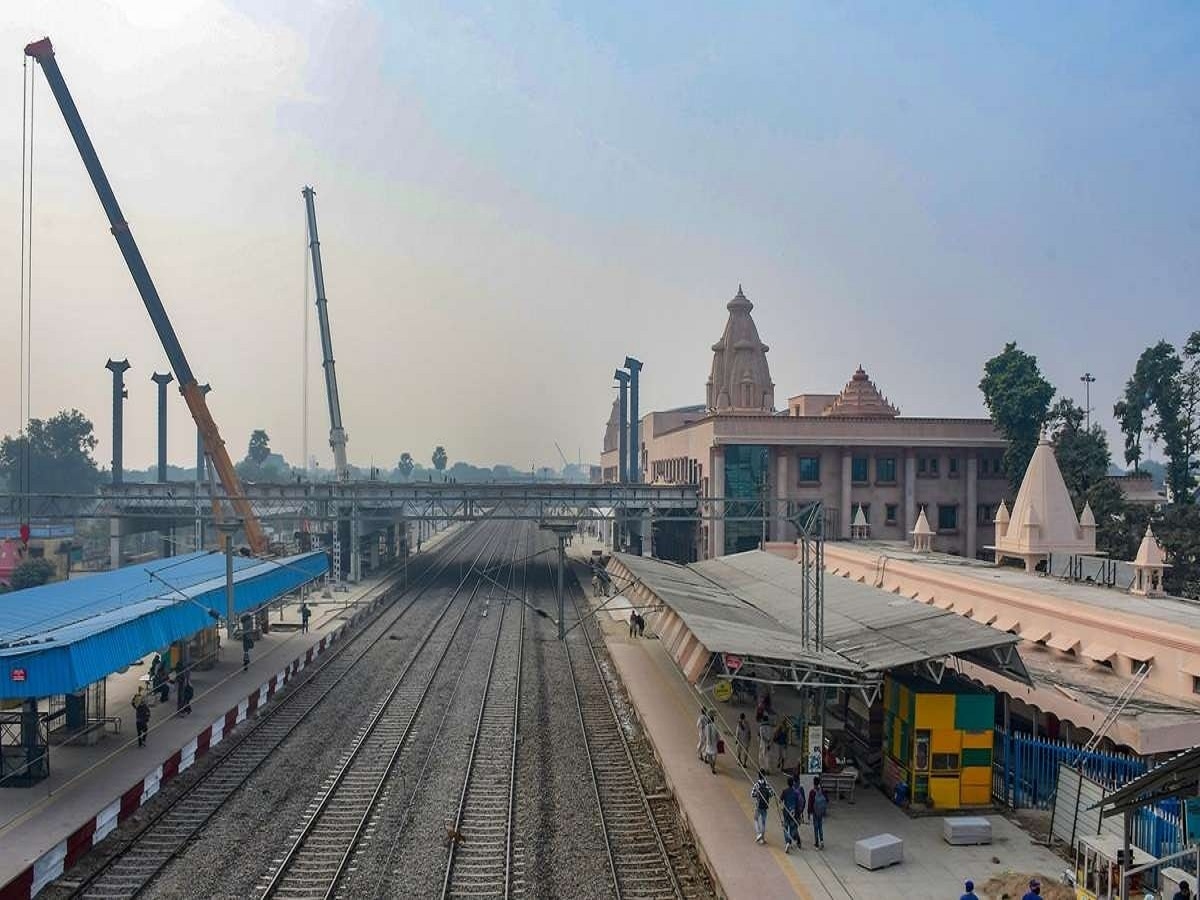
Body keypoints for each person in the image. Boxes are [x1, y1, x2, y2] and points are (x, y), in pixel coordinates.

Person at [751, 769, 774, 845]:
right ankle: (762, 839)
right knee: (763, 822)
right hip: (765, 806)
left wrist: (757, 795)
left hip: (758, 805)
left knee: (755, 819)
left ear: (758, 775)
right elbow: (771, 794)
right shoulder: (767, 785)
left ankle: (758, 834)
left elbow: (752, 794)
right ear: (764, 776)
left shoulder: (757, 784)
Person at [781, 776, 802, 853]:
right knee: (793, 829)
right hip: (794, 814)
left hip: (786, 813)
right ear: (793, 783)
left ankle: (788, 842)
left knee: (785, 828)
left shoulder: (784, 791)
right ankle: (794, 840)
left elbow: (780, 800)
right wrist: (799, 814)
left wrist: (782, 808)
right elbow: (799, 804)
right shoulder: (796, 793)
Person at [807, 776, 828, 849]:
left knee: (816, 827)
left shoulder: (812, 792)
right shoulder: (822, 791)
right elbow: (826, 800)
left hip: (815, 812)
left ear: (813, 783)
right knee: (820, 826)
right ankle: (822, 841)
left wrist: (809, 813)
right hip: (821, 812)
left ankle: (816, 843)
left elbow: (810, 804)